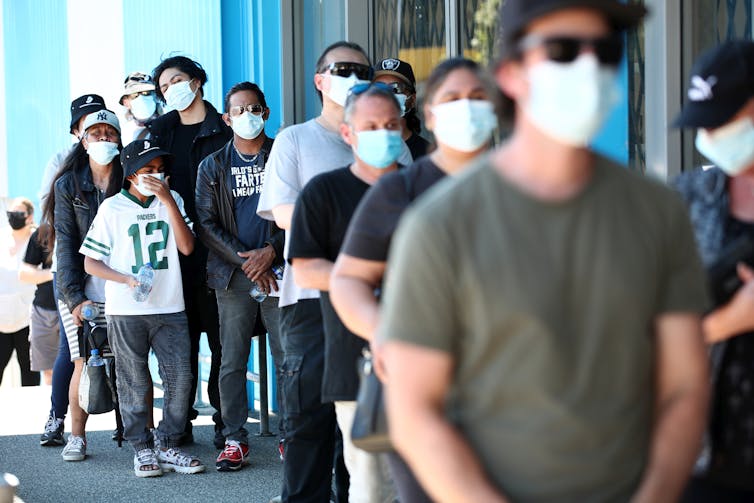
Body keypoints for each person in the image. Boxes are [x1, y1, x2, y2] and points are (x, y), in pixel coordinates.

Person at [377, 1, 712, 501]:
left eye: (604, 51)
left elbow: (685, 385)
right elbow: (413, 410)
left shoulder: (658, 211)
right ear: (510, 73)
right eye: (560, 50)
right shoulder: (440, 225)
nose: (587, 66)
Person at [329, 56, 498, 502]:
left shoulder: (526, 187)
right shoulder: (399, 190)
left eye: (479, 98)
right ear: (434, 113)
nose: (467, 108)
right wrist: (382, 329)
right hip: (424, 390)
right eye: (454, 98)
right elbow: (348, 280)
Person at [258, 40, 414, 503]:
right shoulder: (295, 139)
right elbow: (287, 215)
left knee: (366, 430)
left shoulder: (397, 153)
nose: (352, 75)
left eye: (360, 70)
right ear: (319, 80)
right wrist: (357, 260)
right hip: (310, 305)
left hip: (382, 308)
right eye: (341, 69)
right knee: (309, 420)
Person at [289, 83, 403, 502]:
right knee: (373, 487)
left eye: (391, 124)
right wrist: (363, 277)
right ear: (348, 133)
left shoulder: (424, 187)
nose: (383, 133)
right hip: (359, 364)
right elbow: (305, 268)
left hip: (432, 359)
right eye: (370, 125)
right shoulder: (323, 192)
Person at [80, 139, 204, 477]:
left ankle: (169, 443)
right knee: (133, 380)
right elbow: (91, 263)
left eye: (160, 170)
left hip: (170, 305)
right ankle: (142, 448)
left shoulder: (172, 200)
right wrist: (125, 279)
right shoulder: (112, 208)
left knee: (181, 379)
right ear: (131, 174)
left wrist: (166, 199)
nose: (156, 176)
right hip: (126, 310)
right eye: (148, 171)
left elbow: (187, 247)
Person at [672, 40, 754, 502]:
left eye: (726, 118)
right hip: (705, 458)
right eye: (706, 123)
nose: (712, 134)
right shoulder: (684, 201)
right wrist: (731, 321)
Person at [195, 81, 284, 472]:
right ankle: (234, 437)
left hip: (281, 272)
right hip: (233, 277)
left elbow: (305, 207)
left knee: (288, 358)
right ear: (226, 118)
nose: (247, 117)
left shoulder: (284, 154)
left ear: (265, 112)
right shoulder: (212, 165)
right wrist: (248, 261)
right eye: (239, 111)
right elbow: (206, 224)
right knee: (231, 360)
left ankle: (293, 435)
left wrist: (272, 253)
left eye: (255, 109)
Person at [149, 55, 233, 448]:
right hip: (172, 255)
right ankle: (178, 424)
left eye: (177, 80)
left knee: (220, 342)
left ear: (197, 81)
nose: (171, 90)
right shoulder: (158, 133)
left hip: (217, 252)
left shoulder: (224, 127)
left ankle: (225, 423)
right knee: (177, 345)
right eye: (164, 87)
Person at [43, 109, 123, 462]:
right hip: (76, 284)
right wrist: (75, 299)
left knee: (127, 362)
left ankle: (134, 431)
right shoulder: (68, 183)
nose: (104, 138)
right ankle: (77, 437)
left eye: (110, 132)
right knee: (81, 362)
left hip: (121, 285)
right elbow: (65, 245)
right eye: (96, 133)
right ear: (82, 139)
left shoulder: (129, 176)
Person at [0, 197, 38, 386]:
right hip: (1, 321)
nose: (14, 217)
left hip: (27, 320)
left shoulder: (37, 240)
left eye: (19, 213)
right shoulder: (2, 237)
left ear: (30, 216)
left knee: (29, 375)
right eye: (11, 213)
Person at [19, 223, 58, 385]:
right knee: (48, 371)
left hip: (73, 310)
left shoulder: (82, 225)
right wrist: (54, 273)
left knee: (74, 366)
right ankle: (55, 409)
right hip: (43, 311)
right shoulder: (43, 232)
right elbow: (25, 274)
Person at [372, 58, 430, 159]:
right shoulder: (360, 148)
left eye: (396, 88)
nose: (387, 94)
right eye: (379, 87)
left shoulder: (428, 155)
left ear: (412, 99)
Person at [119, 72, 161, 144]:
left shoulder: (171, 125)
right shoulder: (122, 134)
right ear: (125, 102)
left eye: (146, 93)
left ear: (156, 97)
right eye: (134, 95)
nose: (141, 98)